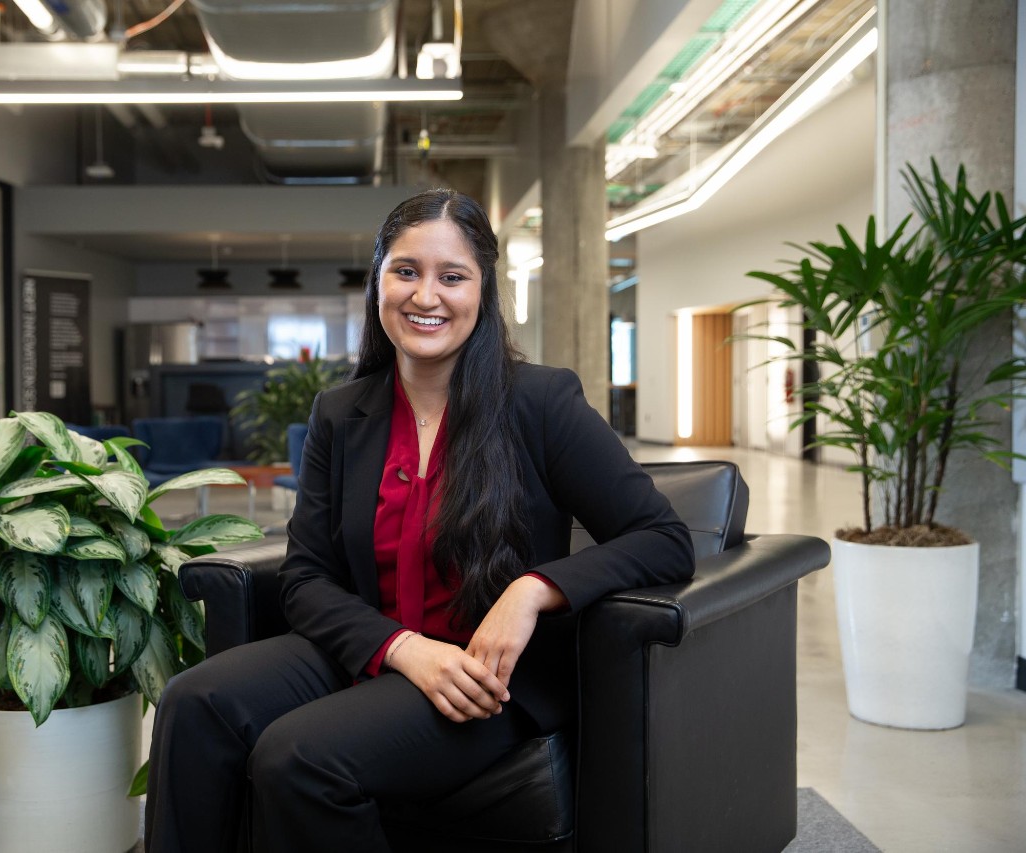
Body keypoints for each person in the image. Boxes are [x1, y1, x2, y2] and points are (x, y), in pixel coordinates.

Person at [144, 189, 695, 852]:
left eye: (452, 276)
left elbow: (663, 538)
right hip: (375, 646)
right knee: (191, 702)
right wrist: (401, 648)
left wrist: (532, 589)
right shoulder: (341, 412)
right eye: (406, 270)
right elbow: (306, 577)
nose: (426, 295)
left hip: (481, 679)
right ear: (378, 279)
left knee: (298, 756)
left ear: (483, 291)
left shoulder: (541, 401)